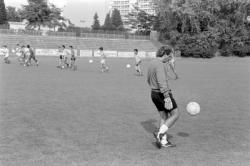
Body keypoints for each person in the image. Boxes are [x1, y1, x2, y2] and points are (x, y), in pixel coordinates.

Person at [147, 45, 180, 148]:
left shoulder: (152, 62)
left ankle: (164, 141)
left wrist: (172, 64)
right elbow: (162, 83)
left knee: (163, 116)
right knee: (175, 114)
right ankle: (160, 134)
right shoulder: (160, 64)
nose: (170, 58)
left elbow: (148, 79)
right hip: (162, 94)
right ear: (165, 54)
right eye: (170, 56)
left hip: (154, 93)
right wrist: (166, 97)